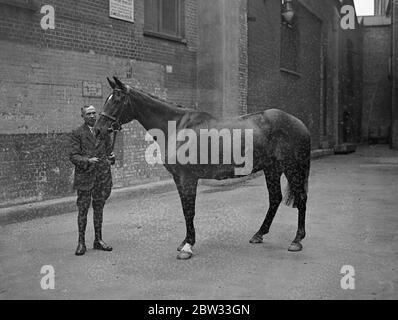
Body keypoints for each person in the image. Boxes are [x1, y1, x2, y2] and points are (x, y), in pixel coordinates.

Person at [69, 105, 115, 256]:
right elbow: (73, 156)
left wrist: (111, 158)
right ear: (83, 116)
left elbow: (108, 153)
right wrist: (88, 160)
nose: (92, 116)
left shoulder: (103, 132)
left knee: (99, 209)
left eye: (94, 113)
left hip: (101, 178)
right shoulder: (77, 133)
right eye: (89, 114)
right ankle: (81, 242)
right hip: (85, 178)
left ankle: (98, 240)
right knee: (83, 210)